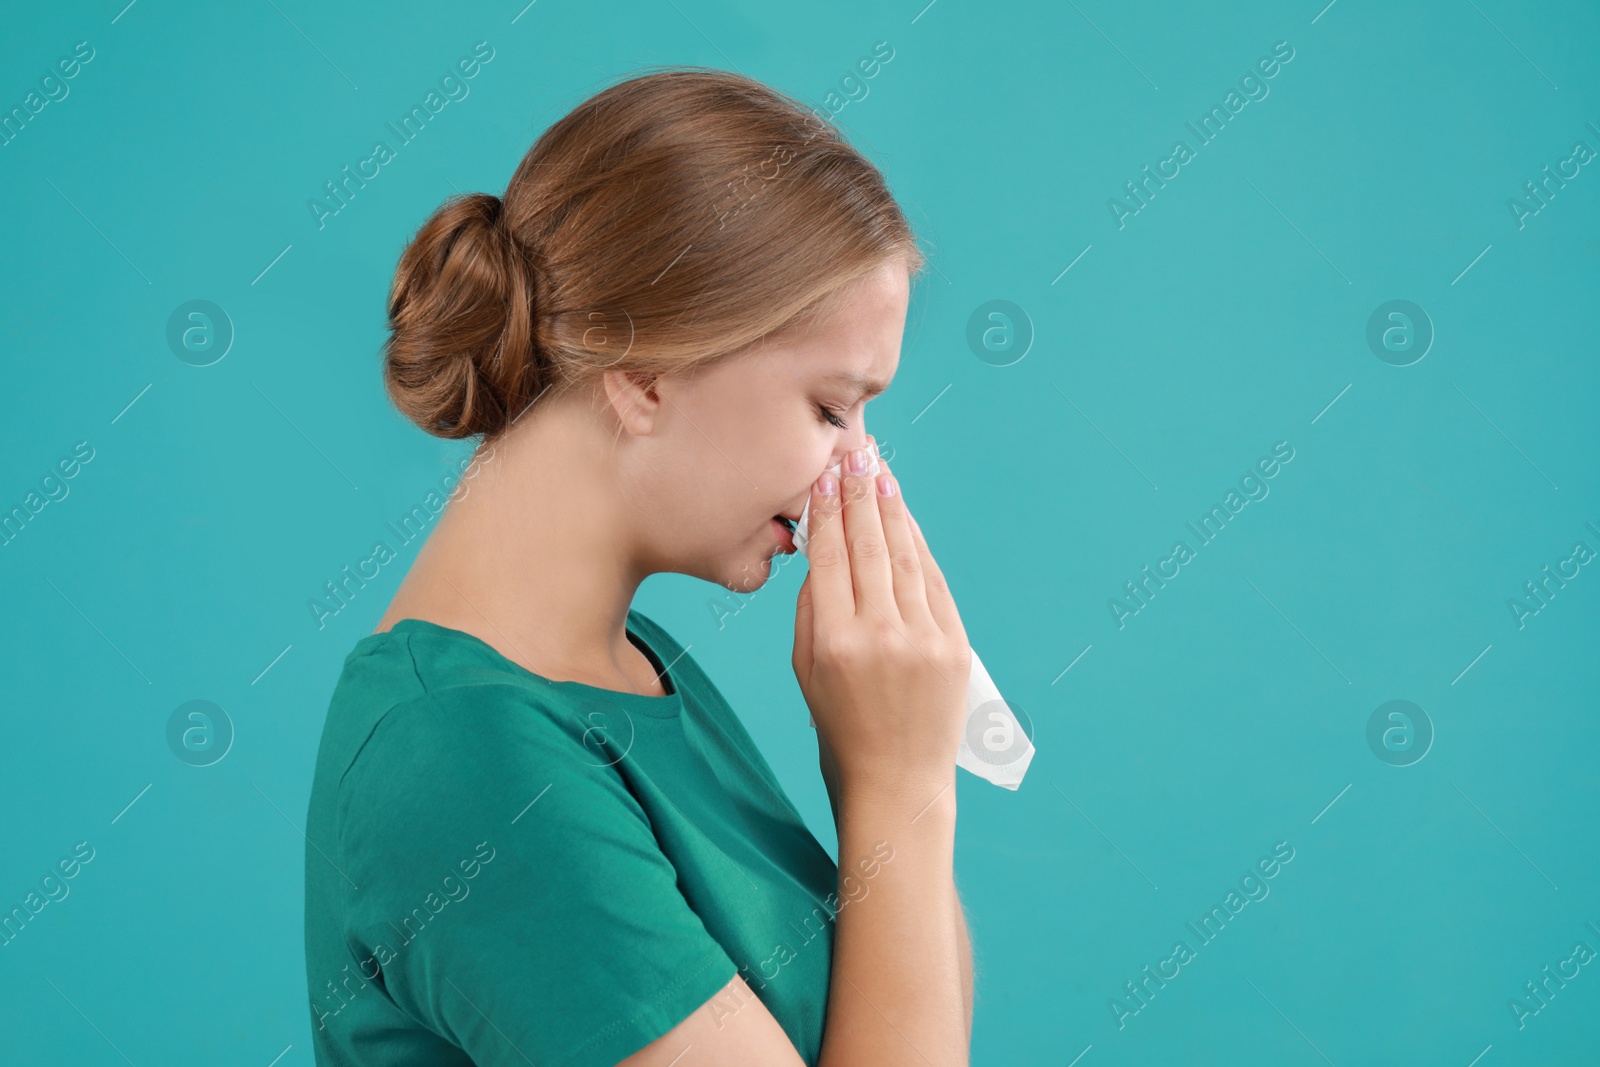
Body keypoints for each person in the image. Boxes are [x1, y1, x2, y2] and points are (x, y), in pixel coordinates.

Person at [302, 66, 975, 1067]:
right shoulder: (465, 757)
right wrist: (899, 784)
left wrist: (903, 775)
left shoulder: (637, 666)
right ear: (646, 372)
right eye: (832, 409)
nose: (861, 467)